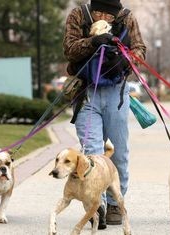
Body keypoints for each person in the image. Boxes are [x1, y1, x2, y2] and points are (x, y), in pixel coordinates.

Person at [63, 0, 146, 230]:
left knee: (118, 152)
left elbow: (141, 50)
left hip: (116, 94)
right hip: (86, 92)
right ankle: (94, 203)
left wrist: (124, 59)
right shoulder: (79, 14)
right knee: (91, 153)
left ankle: (114, 204)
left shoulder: (126, 16)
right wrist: (93, 42)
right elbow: (68, 48)